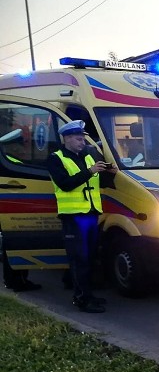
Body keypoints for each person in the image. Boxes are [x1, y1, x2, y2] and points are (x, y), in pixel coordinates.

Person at [46, 120, 108, 313]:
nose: (83, 143)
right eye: (79, 139)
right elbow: (65, 183)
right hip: (73, 217)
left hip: (90, 213)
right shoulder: (56, 159)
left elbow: (99, 180)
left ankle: (89, 294)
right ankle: (82, 299)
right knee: (79, 259)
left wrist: (109, 171)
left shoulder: (88, 156)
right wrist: (90, 172)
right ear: (67, 139)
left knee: (89, 258)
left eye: (83, 139)